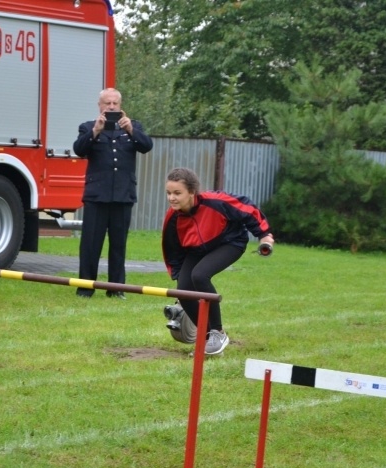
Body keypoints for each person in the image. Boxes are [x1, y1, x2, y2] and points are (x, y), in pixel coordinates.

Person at [161, 167, 275, 355]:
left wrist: (264, 235)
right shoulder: (173, 218)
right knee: (183, 290)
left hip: (230, 243)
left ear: (191, 192)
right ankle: (208, 339)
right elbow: (173, 249)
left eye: (177, 193)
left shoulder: (215, 202)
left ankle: (218, 333)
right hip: (196, 249)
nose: (171, 198)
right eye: (169, 193)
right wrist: (179, 277)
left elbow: (246, 208)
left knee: (200, 275)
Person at [72, 88, 153, 299]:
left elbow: (146, 146)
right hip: (97, 196)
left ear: (121, 105)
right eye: (106, 103)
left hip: (123, 195)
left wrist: (131, 131)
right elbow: (79, 150)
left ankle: (117, 288)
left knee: (118, 245)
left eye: (114, 103)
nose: (111, 107)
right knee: (91, 244)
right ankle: (85, 287)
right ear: (99, 106)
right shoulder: (88, 127)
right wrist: (95, 132)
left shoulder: (132, 126)